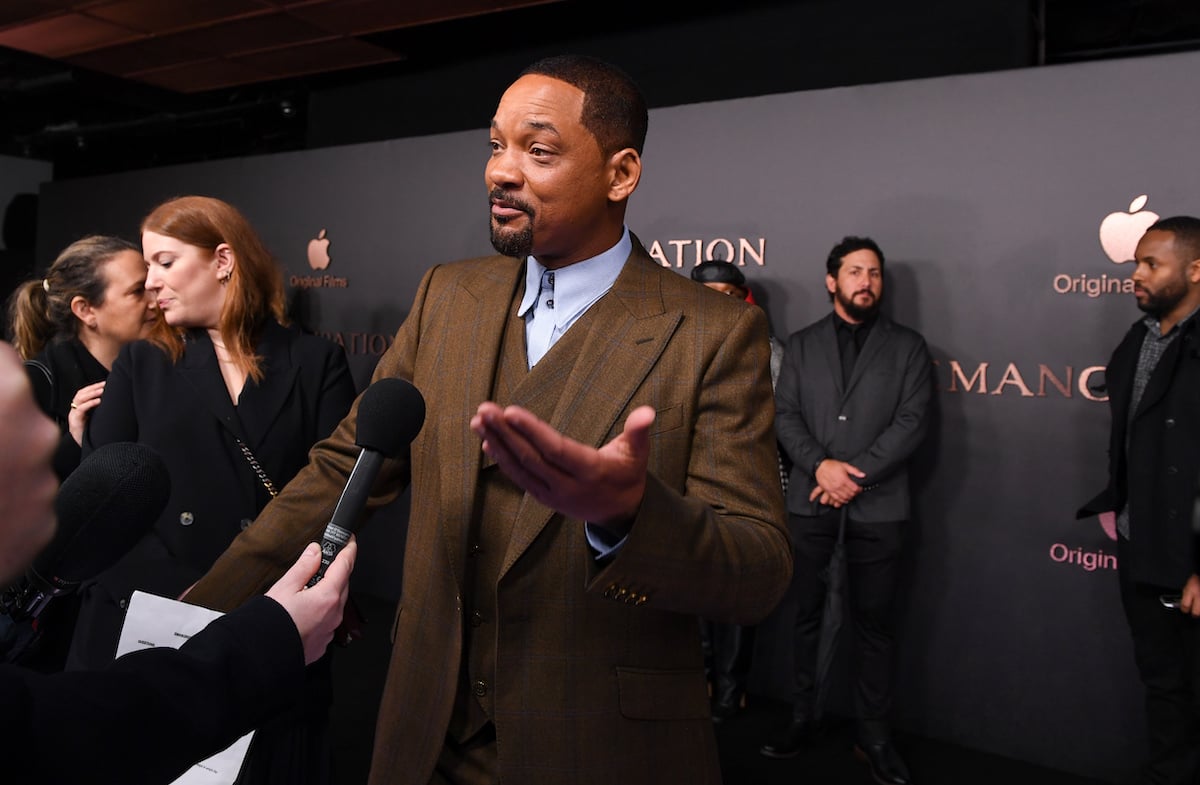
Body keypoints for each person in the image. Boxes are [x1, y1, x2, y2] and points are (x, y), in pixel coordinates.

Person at [184, 54, 792, 785]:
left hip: (599, 748)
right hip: (424, 731)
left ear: (620, 173)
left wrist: (629, 516)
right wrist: (203, 609)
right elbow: (345, 466)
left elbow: (757, 570)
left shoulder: (712, 333)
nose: (501, 172)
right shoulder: (449, 295)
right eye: (495, 145)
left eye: (537, 151)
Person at [67, 196, 356, 784]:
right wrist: (192, 598)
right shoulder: (140, 365)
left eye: (165, 263)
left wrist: (255, 594)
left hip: (272, 628)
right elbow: (104, 512)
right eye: (146, 269)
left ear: (223, 260)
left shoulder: (315, 360)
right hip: (151, 631)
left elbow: (334, 497)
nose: (151, 284)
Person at [0, 339, 357, 785]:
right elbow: (102, 727)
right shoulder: (140, 364)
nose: (52, 435)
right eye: (16, 420)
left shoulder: (315, 360)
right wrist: (236, 617)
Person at [764, 236, 931, 785]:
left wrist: (850, 475)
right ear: (833, 281)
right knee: (805, 616)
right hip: (810, 503)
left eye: (875, 272)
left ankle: (874, 736)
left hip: (880, 508)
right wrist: (822, 467)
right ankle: (802, 717)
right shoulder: (803, 344)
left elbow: (911, 422)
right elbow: (785, 415)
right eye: (856, 271)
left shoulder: (907, 347)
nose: (867, 281)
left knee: (876, 625)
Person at [1078, 216, 1200, 785]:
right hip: (1139, 543)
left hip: (1189, 558)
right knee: (1163, 684)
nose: (1136, 274)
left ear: (1195, 270)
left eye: (1152, 263)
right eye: (1136, 263)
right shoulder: (1139, 339)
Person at [690, 257, 789, 722]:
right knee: (692, 594)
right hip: (687, 489)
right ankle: (700, 681)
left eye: (728, 297)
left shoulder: (769, 351)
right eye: (708, 298)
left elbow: (773, 426)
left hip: (746, 487)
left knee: (735, 594)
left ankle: (731, 690)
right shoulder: (677, 347)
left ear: (743, 298)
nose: (718, 309)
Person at [7, 234, 157, 481]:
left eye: (152, 287)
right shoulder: (33, 385)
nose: (155, 302)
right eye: (138, 291)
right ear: (85, 310)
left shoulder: (160, 367)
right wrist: (76, 441)